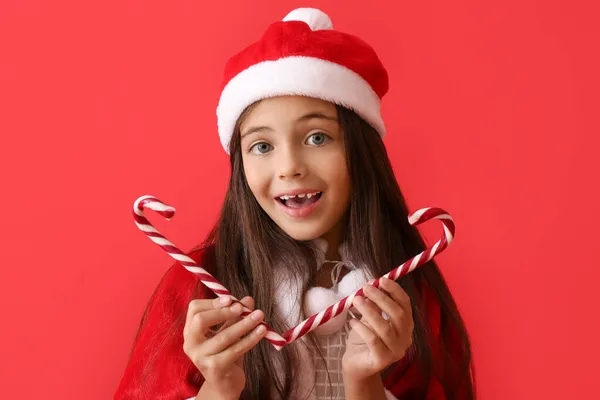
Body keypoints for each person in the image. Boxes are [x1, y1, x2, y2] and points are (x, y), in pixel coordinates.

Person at [115, 7, 476, 400]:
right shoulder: (199, 290)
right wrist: (217, 388)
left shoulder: (410, 294)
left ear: (360, 152)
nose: (289, 167)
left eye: (317, 137)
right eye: (262, 146)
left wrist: (364, 381)